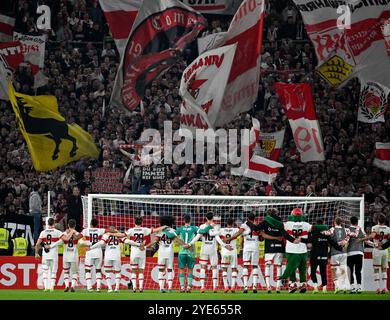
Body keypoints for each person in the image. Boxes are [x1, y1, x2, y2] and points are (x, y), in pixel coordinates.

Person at [228, 213, 281, 293]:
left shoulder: (244, 225)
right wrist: (273, 237)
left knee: (245, 266)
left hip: (247, 248)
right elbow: (263, 237)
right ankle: (254, 286)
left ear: (248, 218)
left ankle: (245, 287)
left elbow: (238, 235)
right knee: (255, 266)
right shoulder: (258, 226)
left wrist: (230, 239)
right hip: (255, 247)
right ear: (254, 219)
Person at [189, 213, 233, 293]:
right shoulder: (216, 226)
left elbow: (197, 237)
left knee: (203, 267)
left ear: (206, 218)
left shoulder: (202, 226)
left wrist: (190, 244)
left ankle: (202, 287)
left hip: (204, 249)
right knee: (214, 267)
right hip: (213, 249)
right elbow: (218, 238)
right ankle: (214, 287)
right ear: (212, 218)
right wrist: (224, 245)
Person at [89, 225, 141, 292]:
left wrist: (91, 247)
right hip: (116, 256)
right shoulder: (119, 235)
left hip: (108, 255)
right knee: (118, 272)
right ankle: (116, 288)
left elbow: (101, 242)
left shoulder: (106, 235)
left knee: (107, 272)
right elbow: (127, 241)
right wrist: (138, 244)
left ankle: (110, 288)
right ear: (115, 229)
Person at [122, 216, 167, 293]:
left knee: (133, 270)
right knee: (141, 270)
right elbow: (156, 230)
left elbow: (123, 236)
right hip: (142, 251)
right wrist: (164, 226)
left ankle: (134, 288)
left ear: (134, 222)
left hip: (134, 252)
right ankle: (141, 288)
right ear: (141, 222)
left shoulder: (131, 230)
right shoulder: (145, 229)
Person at [245, 209, 285, 293]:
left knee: (268, 266)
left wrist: (248, 222)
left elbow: (255, 229)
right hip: (280, 247)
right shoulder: (281, 222)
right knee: (278, 266)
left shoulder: (266, 222)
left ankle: (268, 287)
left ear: (268, 214)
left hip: (270, 247)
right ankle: (278, 287)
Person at [148, 216, 187, 293]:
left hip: (161, 252)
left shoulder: (160, 231)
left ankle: (161, 288)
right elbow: (177, 240)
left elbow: (154, 241)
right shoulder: (173, 231)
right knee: (170, 270)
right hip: (169, 252)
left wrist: (146, 246)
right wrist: (185, 245)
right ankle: (169, 288)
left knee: (161, 270)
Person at [279, 208, 312, 293]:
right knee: (302, 269)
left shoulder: (288, 224)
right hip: (303, 250)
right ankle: (303, 284)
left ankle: (292, 284)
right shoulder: (306, 224)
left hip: (291, 249)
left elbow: (280, 227)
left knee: (291, 268)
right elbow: (313, 230)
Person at [306, 219, 343, 294]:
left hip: (314, 255)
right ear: (323, 225)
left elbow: (308, 240)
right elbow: (332, 243)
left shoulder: (314, 233)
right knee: (323, 272)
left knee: (313, 272)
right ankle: (324, 288)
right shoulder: (327, 235)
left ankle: (315, 287)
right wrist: (340, 248)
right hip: (324, 255)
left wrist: (307, 234)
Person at [322, 217, 356, 293]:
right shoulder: (346, 230)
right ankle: (345, 287)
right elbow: (353, 234)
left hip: (335, 253)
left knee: (334, 269)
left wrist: (320, 232)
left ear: (334, 222)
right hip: (344, 253)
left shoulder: (332, 229)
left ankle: (337, 286)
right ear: (341, 222)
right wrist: (346, 240)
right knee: (343, 270)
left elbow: (326, 233)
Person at [47, 219, 82, 292]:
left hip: (66, 255)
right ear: (75, 225)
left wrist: (51, 246)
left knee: (66, 271)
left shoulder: (64, 234)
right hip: (74, 255)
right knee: (74, 272)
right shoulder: (77, 234)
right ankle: (72, 286)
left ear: (68, 225)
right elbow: (82, 241)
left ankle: (66, 286)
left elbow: (59, 242)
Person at [35, 217, 63, 291]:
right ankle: (51, 287)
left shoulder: (43, 232)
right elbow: (64, 240)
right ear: (54, 223)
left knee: (45, 271)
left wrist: (36, 253)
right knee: (53, 271)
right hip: (53, 255)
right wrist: (53, 245)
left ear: (47, 223)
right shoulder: (57, 232)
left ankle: (46, 287)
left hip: (45, 255)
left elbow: (37, 244)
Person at [79, 218, 106, 292]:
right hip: (98, 251)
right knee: (98, 270)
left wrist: (86, 243)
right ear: (97, 224)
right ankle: (98, 287)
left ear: (90, 224)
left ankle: (89, 287)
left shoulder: (85, 231)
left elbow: (80, 241)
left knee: (87, 270)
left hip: (89, 252)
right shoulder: (101, 230)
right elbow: (108, 231)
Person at [175, 214, 198, 293]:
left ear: (184, 220)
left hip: (182, 252)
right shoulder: (194, 228)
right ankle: (188, 287)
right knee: (190, 270)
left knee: (181, 269)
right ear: (190, 220)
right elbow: (200, 234)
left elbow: (174, 237)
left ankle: (182, 287)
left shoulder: (180, 229)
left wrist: (181, 244)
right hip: (191, 252)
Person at [367, 214, 390, 294]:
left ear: (377, 220)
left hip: (377, 250)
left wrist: (364, 239)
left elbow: (371, 237)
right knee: (384, 269)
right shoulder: (388, 229)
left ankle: (378, 288)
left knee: (376, 269)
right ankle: (384, 288)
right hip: (385, 250)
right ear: (385, 220)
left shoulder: (374, 227)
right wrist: (383, 246)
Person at [347, 216, 367, 294]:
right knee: (358, 271)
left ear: (350, 221)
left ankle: (352, 287)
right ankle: (359, 288)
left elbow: (345, 240)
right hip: (359, 252)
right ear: (357, 222)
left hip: (350, 253)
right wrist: (374, 244)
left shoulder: (347, 230)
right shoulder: (360, 229)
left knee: (350, 271)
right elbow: (366, 240)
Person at [219, 218, 240, 293]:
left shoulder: (221, 230)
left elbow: (218, 237)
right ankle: (233, 287)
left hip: (225, 251)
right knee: (234, 268)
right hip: (233, 251)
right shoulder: (236, 229)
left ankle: (226, 287)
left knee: (224, 269)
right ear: (233, 223)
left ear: (226, 223)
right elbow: (241, 231)